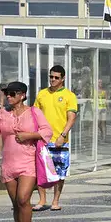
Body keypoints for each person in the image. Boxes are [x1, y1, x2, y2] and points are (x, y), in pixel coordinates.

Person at [0, 82, 53, 222]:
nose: (9, 96)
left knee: (23, 199)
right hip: (8, 164)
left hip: (28, 162)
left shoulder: (34, 112)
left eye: (12, 93)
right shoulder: (2, 114)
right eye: (7, 93)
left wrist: (29, 135)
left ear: (22, 95)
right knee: (16, 204)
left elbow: (47, 131)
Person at [32, 65, 78, 212]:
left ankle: (55, 201)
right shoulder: (42, 94)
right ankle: (42, 200)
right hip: (42, 140)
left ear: (62, 79)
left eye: (56, 77)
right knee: (41, 171)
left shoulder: (69, 95)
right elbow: (35, 115)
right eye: (51, 77)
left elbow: (71, 118)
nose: (53, 79)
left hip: (60, 140)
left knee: (60, 173)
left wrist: (62, 136)